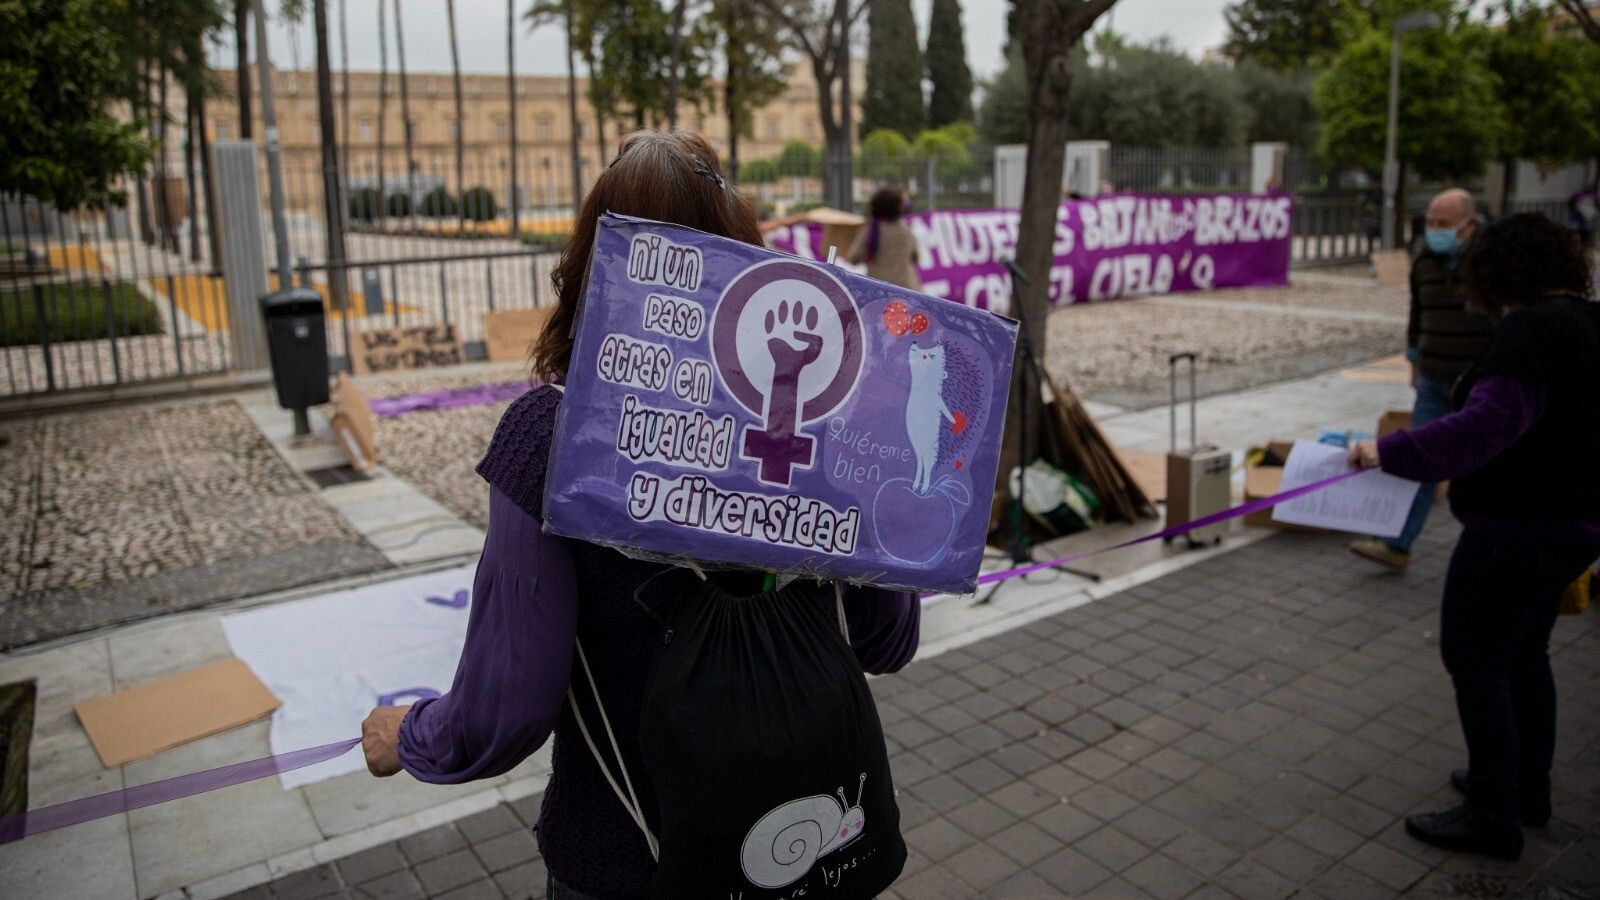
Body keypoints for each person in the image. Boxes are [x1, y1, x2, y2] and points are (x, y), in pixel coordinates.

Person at [359, 131, 921, 899]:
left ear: (592, 268)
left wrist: (410, 735)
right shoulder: (824, 427)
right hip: (806, 845)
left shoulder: (548, 440)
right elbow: (887, 640)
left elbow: (506, 710)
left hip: (629, 860)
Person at [1347, 213, 1600, 860]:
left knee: (1476, 659)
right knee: (1524, 655)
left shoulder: (1528, 332)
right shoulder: (1588, 323)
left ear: (1500, 269)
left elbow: (1483, 428)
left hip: (1515, 530)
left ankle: (1492, 812)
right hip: (1570, 527)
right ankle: (1524, 787)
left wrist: (1387, 452)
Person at [1350, 188, 1493, 571]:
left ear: (1469, 225)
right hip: (1432, 377)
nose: (1433, 230)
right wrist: (1414, 356)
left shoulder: (1491, 263)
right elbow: (1418, 312)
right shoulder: (1425, 260)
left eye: (1442, 224)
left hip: (1478, 384)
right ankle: (1397, 544)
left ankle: (1486, 549)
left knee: (1483, 467)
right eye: (1430, 222)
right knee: (1420, 456)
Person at [847, 187, 923, 290]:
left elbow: (853, 258)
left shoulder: (870, 231)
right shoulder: (905, 230)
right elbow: (915, 257)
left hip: (880, 292)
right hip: (908, 291)